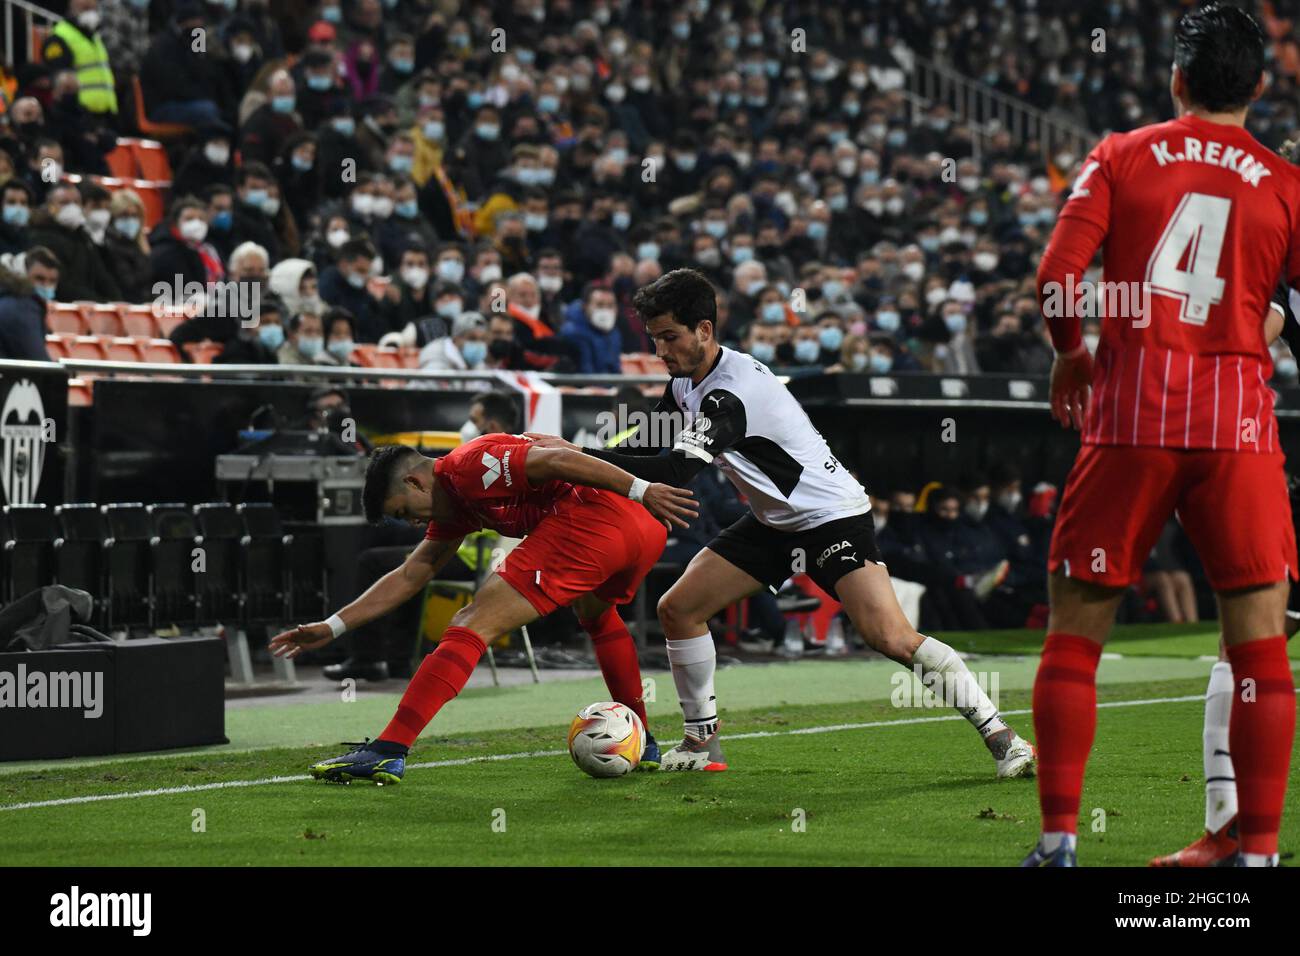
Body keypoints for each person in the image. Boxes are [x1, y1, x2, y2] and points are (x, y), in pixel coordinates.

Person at [529, 268, 1034, 776]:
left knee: (890, 636)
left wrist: (576, 457)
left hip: (832, 518)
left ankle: (1002, 736)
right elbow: (646, 441)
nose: (661, 350)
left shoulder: (732, 395)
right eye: (654, 338)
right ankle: (702, 744)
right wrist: (580, 451)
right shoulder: (687, 381)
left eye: (669, 337)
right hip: (775, 522)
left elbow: (677, 469)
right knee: (679, 609)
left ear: (704, 330)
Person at [1025, 4, 1300, 868]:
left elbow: (1058, 280)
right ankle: (1256, 856)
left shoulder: (1120, 154)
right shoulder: (1286, 183)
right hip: (1239, 428)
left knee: (1075, 637)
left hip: (1130, 418)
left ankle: (1061, 841)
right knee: (1258, 645)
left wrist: (1071, 356)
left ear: (1176, 78)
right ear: (1259, 86)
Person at [268, 430, 701, 784]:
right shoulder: (453, 505)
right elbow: (410, 574)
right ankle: (642, 741)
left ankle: (388, 749)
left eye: (404, 511)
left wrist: (644, 489)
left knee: (472, 623)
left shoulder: (465, 466)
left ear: (416, 482)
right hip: (641, 528)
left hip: (607, 515)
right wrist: (333, 626)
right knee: (596, 614)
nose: (413, 523)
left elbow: (554, 458)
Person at [0, 248, 58, 361]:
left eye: (52, 281)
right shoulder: (21, 307)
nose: (46, 285)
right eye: (39, 278)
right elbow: (38, 363)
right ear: (22, 274)